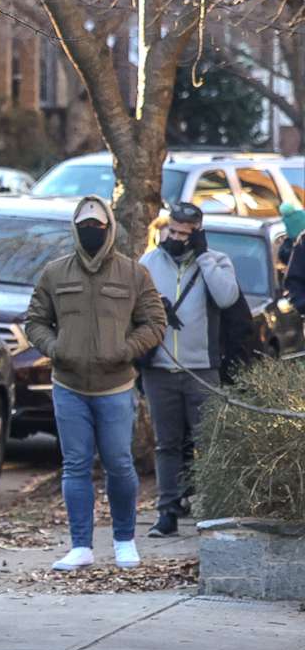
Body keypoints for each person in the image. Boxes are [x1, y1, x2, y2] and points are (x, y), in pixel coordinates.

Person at [24, 194, 166, 571]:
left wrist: (125, 349)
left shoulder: (134, 274)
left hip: (116, 386)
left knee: (120, 464)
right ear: (74, 229)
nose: (91, 233)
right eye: (84, 227)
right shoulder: (55, 273)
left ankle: (124, 540)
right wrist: (55, 347)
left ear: (110, 229)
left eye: (97, 227)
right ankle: (80, 545)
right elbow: (35, 321)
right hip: (68, 385)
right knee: (75, 466)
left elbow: (154, 323)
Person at [140, 200, 241, 538]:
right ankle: (167, 511)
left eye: (186, 233)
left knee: (209, 442)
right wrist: (155, 307)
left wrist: (203, 257)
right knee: (166, 444)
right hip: (160, 368)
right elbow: (132, 307)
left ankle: (212, 509)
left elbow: (227, 297)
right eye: (173, 230)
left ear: (198, 233)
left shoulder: (217, 261)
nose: (178, 237)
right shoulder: (150, 262)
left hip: (202, 368)